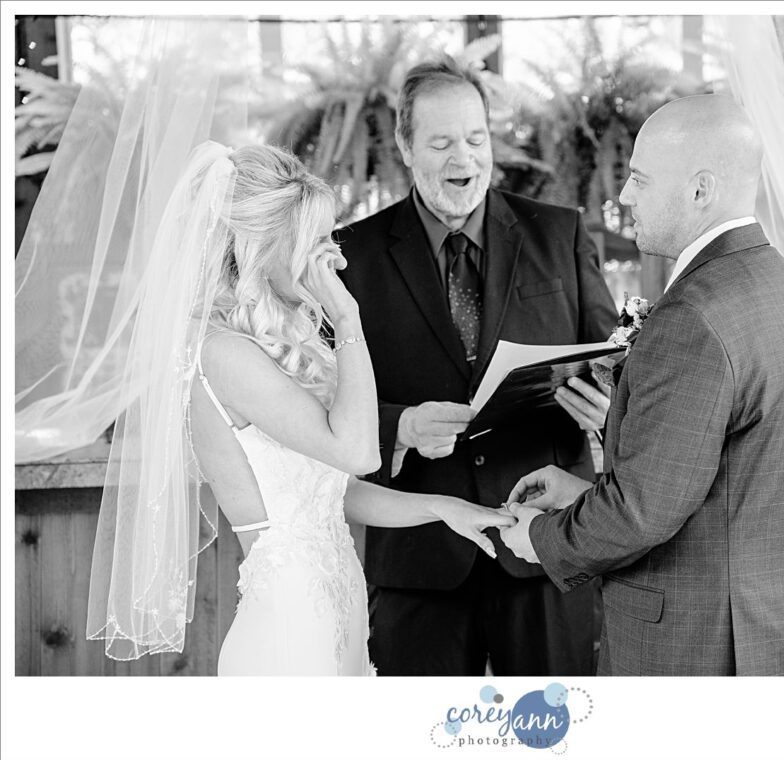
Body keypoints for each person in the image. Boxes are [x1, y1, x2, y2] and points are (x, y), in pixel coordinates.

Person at [86, 142, 514, 675]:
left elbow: (337, 490)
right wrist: (347, 315)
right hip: (288, 637)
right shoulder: (222, 353)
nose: (334, 257)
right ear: (263, 245)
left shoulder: (266, 343)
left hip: (338, 617)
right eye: (316, 241)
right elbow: (358, 451)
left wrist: (442, 508)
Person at [500, 94, 784, 676]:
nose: (624, 196)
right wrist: (584, 495)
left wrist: (542, 537)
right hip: (771, 629)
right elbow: (717, 491)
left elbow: (641, 513)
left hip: (692, 644)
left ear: (700, 190)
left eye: (638, 179)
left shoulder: (694, 316)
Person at [335, 56, 618, 676]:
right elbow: (323, 401)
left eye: (475, 138)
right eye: (440, 143)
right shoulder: (351, 256)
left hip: (545, 547)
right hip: (419, 562)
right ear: (407, 147)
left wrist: (608, 410)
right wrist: (400, 425)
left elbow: (615, 366)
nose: (463, 159)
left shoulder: (559, 234)